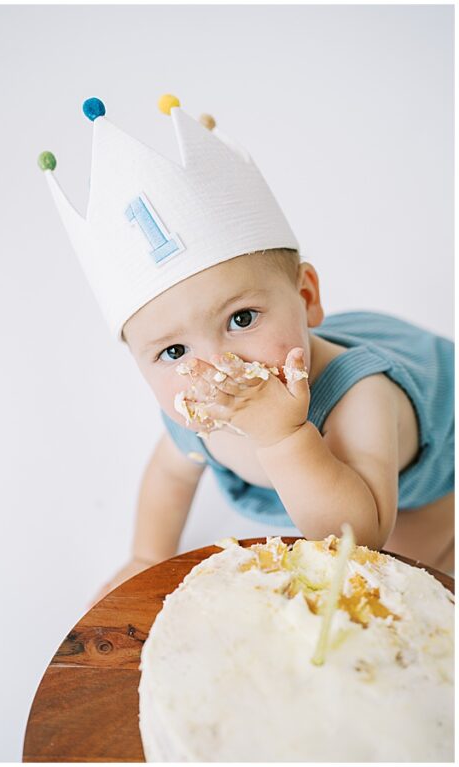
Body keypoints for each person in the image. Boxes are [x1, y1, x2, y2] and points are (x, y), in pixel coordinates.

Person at [39, 95, 454, 603]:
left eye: (241, 319)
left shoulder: (361, 395)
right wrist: (148, 554)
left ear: (306, 298)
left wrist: (285, 438)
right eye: (173, 352)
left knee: (404, 575)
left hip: (429, 464)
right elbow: (169, 478)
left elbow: (360, 538)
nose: (216, 366)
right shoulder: (195, 408)